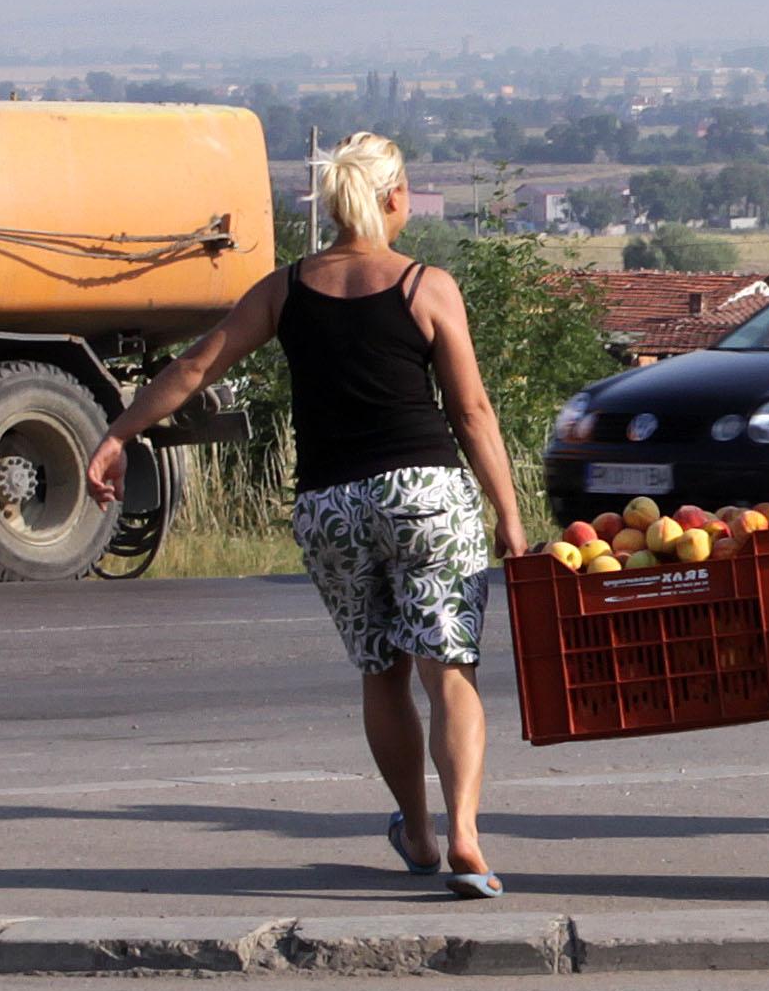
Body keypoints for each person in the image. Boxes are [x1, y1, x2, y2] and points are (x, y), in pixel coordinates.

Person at [86, 132, 525, 901]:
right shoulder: (427, 284)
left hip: (333, 506)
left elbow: (194, 365)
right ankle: (464, 831)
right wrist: (509, 516)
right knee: (448, 667)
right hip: (427, 498)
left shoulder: (283, 289)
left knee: (381, 671)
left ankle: (417, 834)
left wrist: (117, 434)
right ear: (393, 201)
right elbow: (473, 409)